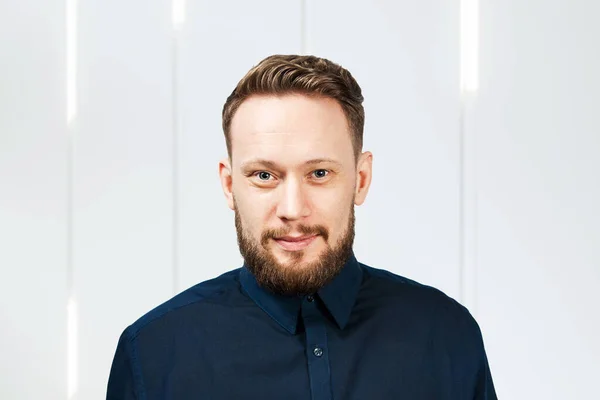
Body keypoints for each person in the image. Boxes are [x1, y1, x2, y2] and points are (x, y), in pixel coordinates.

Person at [107, 54, 497, 399]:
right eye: (264, 175)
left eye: (320, 173)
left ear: (361, 179)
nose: (293, 210)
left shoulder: (447, 335)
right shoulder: (154, 353)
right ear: (229, 186)